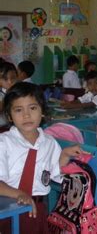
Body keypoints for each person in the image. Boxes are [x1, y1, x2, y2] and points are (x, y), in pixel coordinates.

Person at [0, 82, 83, 233]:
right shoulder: (3, 143)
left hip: (37, 208)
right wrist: (20, 194)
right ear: (9, 116)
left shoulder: (49, 143)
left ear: (42, 111)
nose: (26, 115)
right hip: (8, 207)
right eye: (18, 110)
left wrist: (63, 155)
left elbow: (55, 174)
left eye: (32, 108)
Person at [0, 62, 18, 126]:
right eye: (5, 79)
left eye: (13, 78)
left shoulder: (19, 91)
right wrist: (7, 95)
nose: (10, 82)